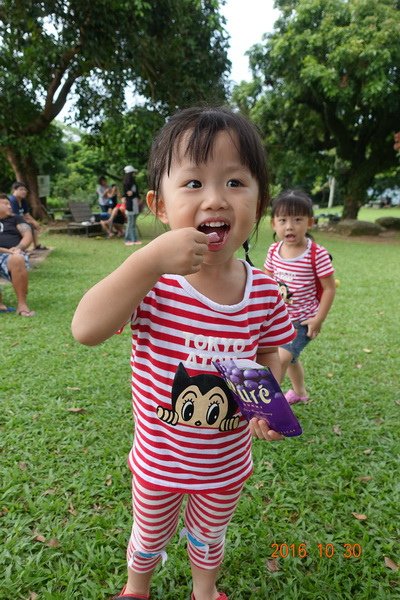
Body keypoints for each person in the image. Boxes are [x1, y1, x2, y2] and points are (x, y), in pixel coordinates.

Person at [72, 106, 296, 600]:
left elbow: (269, 353)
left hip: (226, 462)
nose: (215, 198)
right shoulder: (153, 286)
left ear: (259, 204)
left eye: (235, 182)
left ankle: (204, 590)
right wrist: (148, 259)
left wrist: (266, 401)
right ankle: (137, 587)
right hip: (159, 462)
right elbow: (85, 328)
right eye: (193, 183)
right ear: (159, 204)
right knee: (148, 535)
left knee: (209, 537)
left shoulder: (263, 290)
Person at [264, 189, 336, 404]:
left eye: (297, 219)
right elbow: (267, 282)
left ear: (309, 223)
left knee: (282, 358)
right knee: (292, 359)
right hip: (278, 319)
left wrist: (318, 319)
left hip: (301, 321)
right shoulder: (273, 250)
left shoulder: (317, 254)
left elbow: (330, 289)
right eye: (283, 219)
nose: (289, 226)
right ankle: (300, 393)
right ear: (273, 224)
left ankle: (268, 404)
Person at [0, 194, 35, 317]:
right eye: (6, 204)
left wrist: (18, 248)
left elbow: (27, 235)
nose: (10, 206)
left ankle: (22, 305)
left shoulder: (16, 219)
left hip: (12, 254)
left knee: (17, 258)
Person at [9, 182, 47, 251]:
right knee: (27, 227)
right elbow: (15, 216)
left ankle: (36, 246)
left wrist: (35, 222)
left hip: (18, 221)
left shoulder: (23, 200)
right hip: (10, 222)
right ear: (14, 190)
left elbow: (26, 214)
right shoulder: (12, 200)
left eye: (25, 190)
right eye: (21, 189)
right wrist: (30, 222)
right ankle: (21, 248)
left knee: (32, 225)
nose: (24, 192)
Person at [122, 165, 142, 246]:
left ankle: (134, 239)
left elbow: (134, 194)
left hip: (134, 204)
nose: (134, 174)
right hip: (130, 205)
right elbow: (128, 194)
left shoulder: (133, 183)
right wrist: (133, 194)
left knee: (133, 223)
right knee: (130, 223)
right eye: (133, 172)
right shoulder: (126, 184)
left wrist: (134, 194)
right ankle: (127, 240)